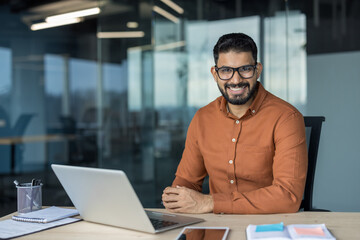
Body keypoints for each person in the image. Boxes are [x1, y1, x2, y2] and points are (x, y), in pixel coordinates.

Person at [161, 33, 308, 214]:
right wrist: (175, 197)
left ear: (258, 70)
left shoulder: (286, 118)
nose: (236, 80)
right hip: (215, 229)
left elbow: (288, 197)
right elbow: (187, 181)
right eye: (226, 70)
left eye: (245, 69)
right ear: (215, 74)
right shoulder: (202, 118)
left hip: (266, 229)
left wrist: (210, 203)